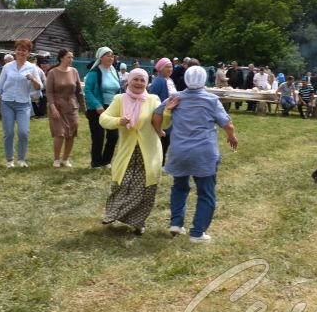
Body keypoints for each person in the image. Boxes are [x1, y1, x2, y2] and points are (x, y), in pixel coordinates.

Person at [154, 65, 238, 242]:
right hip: (203, 152)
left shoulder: (175, 97)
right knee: (206, 193)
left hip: (179, 151)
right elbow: (227, 124)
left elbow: (156, 115)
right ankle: (198, 233)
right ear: (204, 80)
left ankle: (176, 223)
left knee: (179, 186)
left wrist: (159, 130)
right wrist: (231, 136)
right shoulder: (211, 100)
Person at [98, 68, 164, 235]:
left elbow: (164, 121)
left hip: (148, 152)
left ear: (147, 83)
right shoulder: (120, 99)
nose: (139, 83)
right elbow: (103, 119)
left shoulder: (153, 99)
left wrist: (169, 110)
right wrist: (118, 120)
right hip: (127, 151)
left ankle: (138, 223)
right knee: (122, 184)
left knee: (145, 189)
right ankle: (112, 214)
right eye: (136, 79)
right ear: (129, 81)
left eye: (143, 80)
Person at [0, 38, 42, 168]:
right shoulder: (7, 67)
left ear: (28, 53)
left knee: (23, 132)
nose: (21, 52)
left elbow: (39, 87)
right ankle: (9, 160)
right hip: (7, 102)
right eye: (19, 49)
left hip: (23, 104)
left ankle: (21, 159)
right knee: (8, 132)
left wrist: (32, 79)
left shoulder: (32, 68)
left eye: (24, 50)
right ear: (15, 50)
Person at [46, 49, 85, 167]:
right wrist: (53, 107)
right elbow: (49, 92)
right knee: (59, 133)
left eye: (72, 57)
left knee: (71, 133)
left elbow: (79, 91)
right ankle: (56, 159)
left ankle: (66, 159)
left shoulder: (74, 71)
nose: (71, 59)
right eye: (69, 57)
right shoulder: (52, 72)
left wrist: (83, 106)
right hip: (57, 106)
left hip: (72, 107)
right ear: (61, 58)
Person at [84, 46, 121, 169]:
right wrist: (97, 105)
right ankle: (96, 163)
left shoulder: (114, 71)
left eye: (112, 55)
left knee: (113, 136)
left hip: (113, 107)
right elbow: (87, 91)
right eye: (108, 55)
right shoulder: (94, 72)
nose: (111, 57)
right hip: (97, 108)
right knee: (98, 136)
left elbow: (118, 90)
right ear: (101, 57)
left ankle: (106, 161)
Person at [148, 57, 177, 161]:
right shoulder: (159, 81)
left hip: (168, 114)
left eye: (171, 66)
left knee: (166, 139)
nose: (170, 69)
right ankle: (160, 162)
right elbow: (152, 98)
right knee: (163, 138)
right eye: (167, 67)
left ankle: (161, 161)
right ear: (160, 69)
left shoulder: (170, 80)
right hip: (161, 114)